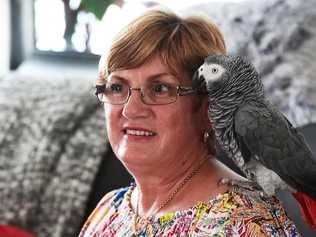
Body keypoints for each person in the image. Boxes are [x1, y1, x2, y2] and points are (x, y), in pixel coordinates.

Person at [79, 9, 301, 237]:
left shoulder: (246, 225)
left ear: (208, 109)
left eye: (160, 89)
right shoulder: (110, 209)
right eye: (117, 87)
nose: (131, 109)